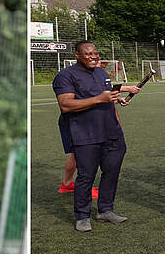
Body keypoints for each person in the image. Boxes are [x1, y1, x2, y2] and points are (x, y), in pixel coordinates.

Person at [52, 41, 138, 233]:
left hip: (111, 132)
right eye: (87, 54)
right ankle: (82, 216)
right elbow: (66, 105)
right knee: (86, 176)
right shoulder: (65, 76)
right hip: (85, 134)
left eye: (95, 53)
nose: (93, 56)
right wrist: (100, 99)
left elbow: (109, 99)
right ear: (77, 55)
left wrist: (116, 103)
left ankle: (105, 209)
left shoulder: (101, 72)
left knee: (112, 172)